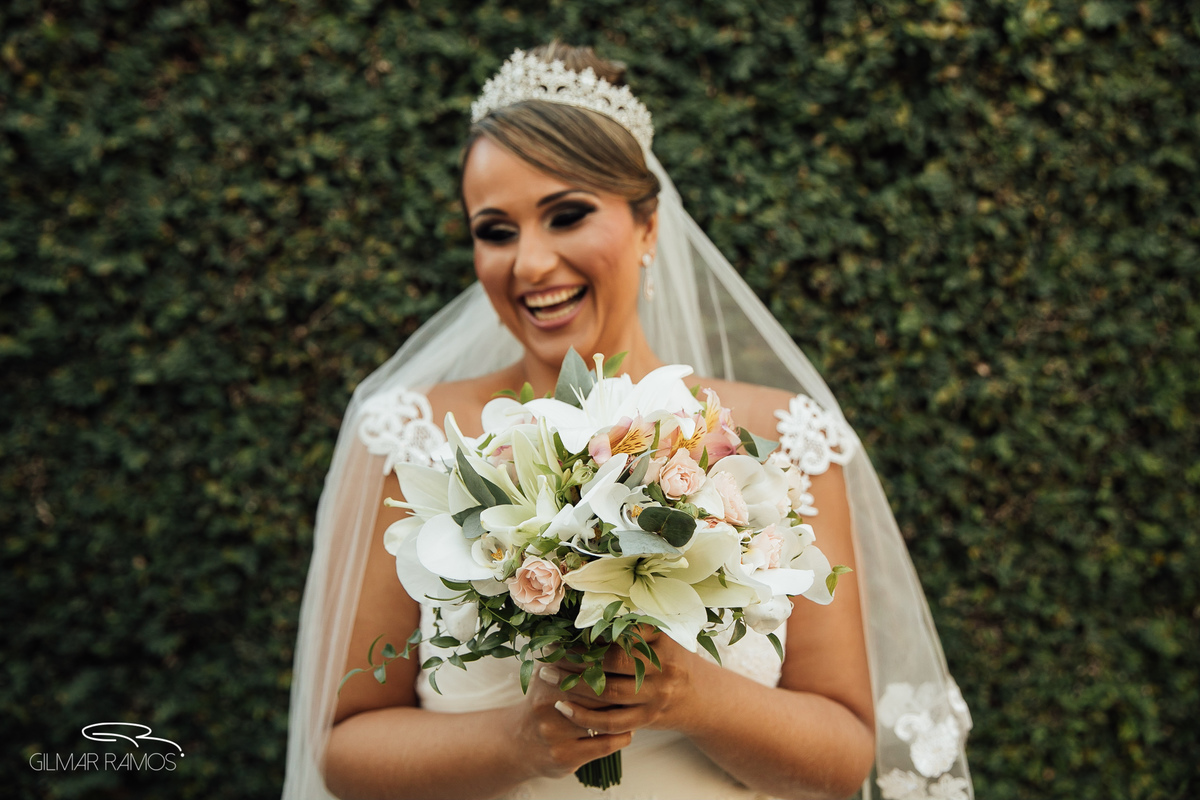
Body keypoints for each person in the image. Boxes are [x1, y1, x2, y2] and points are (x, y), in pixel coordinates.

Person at [283, 43, 973, 800]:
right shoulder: (412, 441)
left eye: (566, 215)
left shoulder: (779, 443)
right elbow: (345, 751)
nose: (530, 264)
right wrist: (521, 742)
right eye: (495, 230)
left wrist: (688, 696)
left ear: (649, 226)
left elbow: (841, 761)